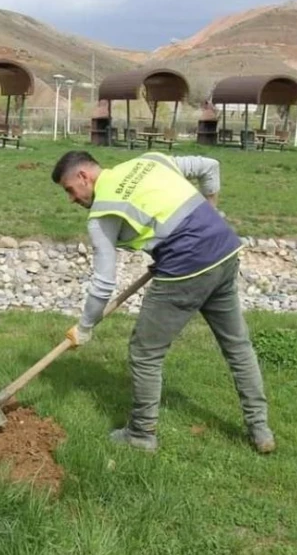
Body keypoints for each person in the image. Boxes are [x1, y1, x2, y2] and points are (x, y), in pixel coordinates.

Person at [52, 149, 275, 454]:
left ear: (83, 177)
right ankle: (260, 430)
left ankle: (141, 434)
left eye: (70, 190)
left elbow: (103, 284)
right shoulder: (149, 161)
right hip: (223, 249)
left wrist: (86, 326)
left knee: (145, 353)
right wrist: (209, 212)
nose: (71, 199)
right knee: (238, 345)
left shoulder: (102, 212)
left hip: (187, 267)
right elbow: (210, 165)